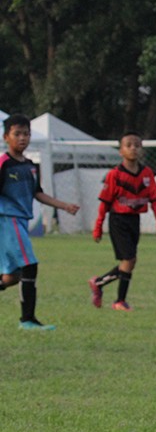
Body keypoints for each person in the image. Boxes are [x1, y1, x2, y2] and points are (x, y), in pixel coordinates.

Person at [0, 114, 80, 330]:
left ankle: (27, 319)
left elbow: (38, 193)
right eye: (17, 134)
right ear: (6, 136)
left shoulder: (31, 166)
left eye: (26, 133)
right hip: (8, 220)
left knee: (12, 277)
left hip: (21, 222)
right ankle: (27, 320)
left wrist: (64, 206)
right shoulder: (3, 163)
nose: (23, 138)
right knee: (30, 266)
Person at [88, 132, 156, 311]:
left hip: (134, 220)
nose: (133, 148)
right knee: (129, 260)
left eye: (137, 145)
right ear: (121, 151)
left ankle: (99, 283)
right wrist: (98, 227)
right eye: (128, 145)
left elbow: (155, 199)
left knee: (129, 261)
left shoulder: (147, 174)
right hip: (118, 220)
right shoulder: (114, 175)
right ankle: (119, 301)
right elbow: (105, 203)